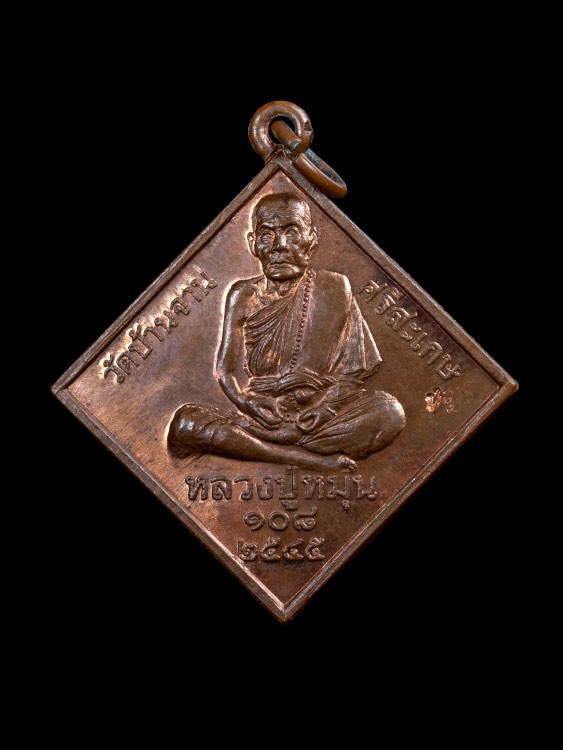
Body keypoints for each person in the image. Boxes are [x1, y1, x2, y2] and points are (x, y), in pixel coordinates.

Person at [168, 193, 405, 472]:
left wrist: (324, 409)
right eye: (267, 235)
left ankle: (268, 445)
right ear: (253, 244)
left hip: (317, 412)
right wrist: (246, 402)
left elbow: (353, 373)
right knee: (186, 423)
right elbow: (223, 371)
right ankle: (304, 458)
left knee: (390, 412)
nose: (279, 245)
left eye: (292, 232)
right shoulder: (243, 294)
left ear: (311, 240)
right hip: (262, 415)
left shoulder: (334, 287)